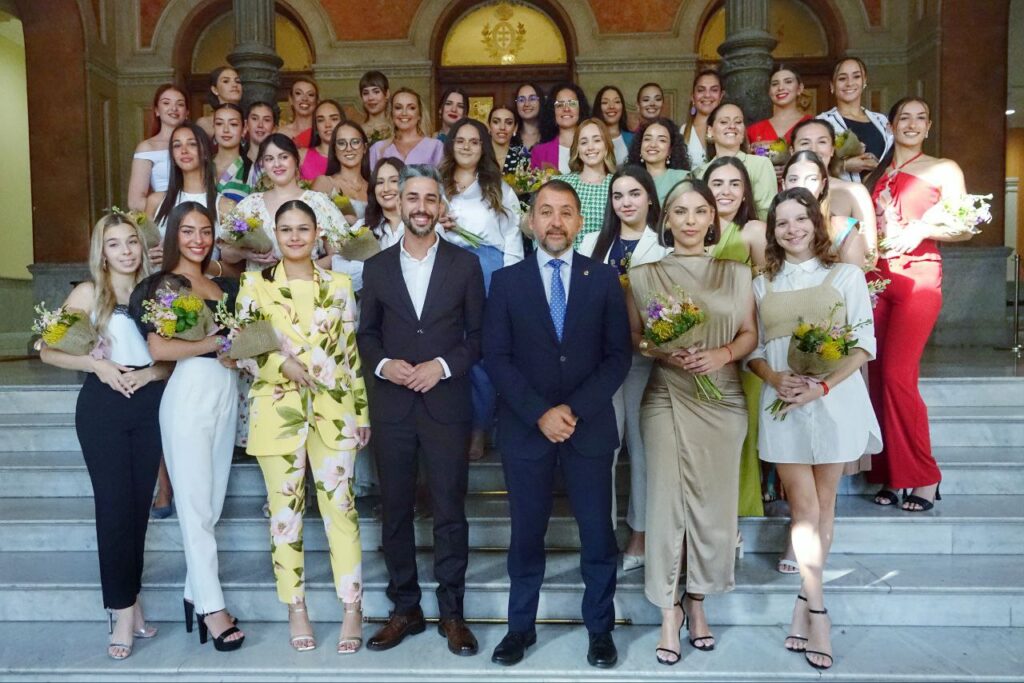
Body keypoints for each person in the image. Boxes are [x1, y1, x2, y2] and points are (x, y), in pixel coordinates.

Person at [484, 180, 631, 669]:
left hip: (587, 430)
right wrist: (539, 412)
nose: (555, 221)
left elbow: (617, 357)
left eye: (565, 212)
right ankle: (519, 629)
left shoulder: (604, 279)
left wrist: (573, 411)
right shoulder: (507, 283)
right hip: (527, 429)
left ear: (580, 222)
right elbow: (497, 357)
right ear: (530, 221)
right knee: (526, 535)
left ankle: (600, 630)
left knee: (597, 535)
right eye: (545, 211)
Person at [747, 187, 881, 670]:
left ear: (815, 223)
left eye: (800, 219)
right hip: (782, 403)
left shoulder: (845, 275)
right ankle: (818, 609)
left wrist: (823, 389)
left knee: (824, 507)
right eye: (782, 223)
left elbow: (863, 345)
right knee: (802, 507)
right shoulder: (762, 282)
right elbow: (755, 349)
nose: (792, 229)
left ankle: (806, 605)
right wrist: (776, 378)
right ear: (773, 231)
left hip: (834, 401)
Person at [357, 165, 485, 656]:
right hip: (393, 406)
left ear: (441, 207)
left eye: (430, 198)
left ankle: (452, 613)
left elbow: (478, 338)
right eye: (413, 197)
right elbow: (367, 334)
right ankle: (405, 608)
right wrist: (386, 365)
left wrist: (443, 367)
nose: (421, 207)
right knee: (394, 512)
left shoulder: (465, 265)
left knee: (450, 510)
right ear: (399, 202)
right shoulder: (377, 266)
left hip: (445, 404)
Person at [626, 179, 755, 665]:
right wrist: (665, 350)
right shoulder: (644, 274)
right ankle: (667, 612)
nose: (689, 220)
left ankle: (697, 601)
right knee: (664, 503)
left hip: (722, 397)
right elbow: (636, 338)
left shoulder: (736, 272)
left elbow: (749, 333)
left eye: (699, 211)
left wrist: (721, 353)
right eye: (679, 211)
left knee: (713, 505)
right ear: (667, 219)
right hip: (666, 395)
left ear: (712, 219)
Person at [238, 199, 369, 654]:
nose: (295, 237)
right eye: (286, 229)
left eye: (303, 229)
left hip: (335, 410)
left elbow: (351, 354)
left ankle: (353, 608)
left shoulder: (338, 284)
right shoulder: (253, 284)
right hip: (277, 410)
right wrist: (280, 367)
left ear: (317, 235)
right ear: (274, 233)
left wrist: (362, 412)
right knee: (285, 516)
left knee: (341, 511)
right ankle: (296, 607)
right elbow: (246, 348)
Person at [39, 211, 169, 660]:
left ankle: (131, 602)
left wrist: (152, 372)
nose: (126, 251)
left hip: (150, 400)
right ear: (102, 250)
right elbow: (48, 349)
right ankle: (119, 611)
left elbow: (172, 356)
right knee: (114, 508)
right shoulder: (89, 292)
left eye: (132, 241)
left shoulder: (157, 292)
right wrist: (97, 364)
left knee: (137, 510)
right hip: (103, 404)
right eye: (115, 244)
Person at [129, 202, 245, 652]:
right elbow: (159, 346)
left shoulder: (219, 284)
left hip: (225, 391)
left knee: (211, 505)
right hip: (188, 397)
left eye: (206, 231)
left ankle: (193, 595)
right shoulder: (162, 285)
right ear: (174, 233)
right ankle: (213, 610)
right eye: (189, 231)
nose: (198, 239)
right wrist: (220, 341)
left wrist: (239, 350)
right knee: (195, 506)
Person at [864, 97, 973, 511]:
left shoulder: (944, 168)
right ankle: (894, 475)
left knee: (897, 375)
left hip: (919, 274)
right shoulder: (877, 172)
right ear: (890, 126)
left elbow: (965, 225)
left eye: (920, 118)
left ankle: (925, 477)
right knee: (874, 374)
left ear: (928, 127)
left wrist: (924, 227)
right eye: (903, 118)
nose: (911, 124)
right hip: (876, 277)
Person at [579, 165, 669, 572]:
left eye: (634, 193)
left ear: (650, 197)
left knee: (645, 449)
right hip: (598, 362)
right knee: (603, 450)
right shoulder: (591, 243)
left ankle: (640, 535)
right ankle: (601, 535)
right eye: (618, 196)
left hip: (645, 361)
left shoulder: (664, 247)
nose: (626, 202)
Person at [439, 118, 524, 460]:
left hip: (490, 274)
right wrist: (439, 226)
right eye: (461, 140)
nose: (467, 146)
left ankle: (479, 428)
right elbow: (416, 227)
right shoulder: (437, 186)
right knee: (450, 348)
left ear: (483, 147)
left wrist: (509, 285)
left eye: (475, 141)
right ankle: (453, 426)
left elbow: (514, 237)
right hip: (446, 273)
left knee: (484, 355)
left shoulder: (499, 188)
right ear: (451, 144)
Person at [702, 156, 768, 521]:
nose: (725, 191)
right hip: (702, 347)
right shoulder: (694, 226)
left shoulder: (753, 231)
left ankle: (738, 514)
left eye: (734, 184)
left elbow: (765, 290)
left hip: (744, 344)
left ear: (745, 193)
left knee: (741, 433)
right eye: (717, 183)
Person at [221, 133, 346, 272]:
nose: (277, 164)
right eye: (269, 159)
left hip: (307, 287)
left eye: (284, 157)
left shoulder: (318, 202)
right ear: (263, 164)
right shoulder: (250, 204)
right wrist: (243, 253)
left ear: (295, 159)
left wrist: (300, 271)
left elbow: (338, 255)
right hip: (259, 289)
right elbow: (225, 253)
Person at [147, 123, 236, 270]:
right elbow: (142, 253)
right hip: (157, 286)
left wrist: (182, 260)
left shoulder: (225, 206)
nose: (183, 151)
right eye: (177, 145)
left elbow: (236, 271)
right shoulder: (155, 201)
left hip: (203, 289)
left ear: (206, 152)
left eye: (192, 144)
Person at [790, 118, 878, 261]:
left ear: (832, 150)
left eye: (822, 142)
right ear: (792, 151)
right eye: (805, 143)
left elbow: (870, 254)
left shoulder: (854, 192)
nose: (814, 149)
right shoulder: (781, 194)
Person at [782, 150, 870, 266]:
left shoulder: (842, 229)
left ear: (823, 185)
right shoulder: (772, 231)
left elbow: (855, 279)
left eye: (811, 179)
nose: (802, 186)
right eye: (794, 179)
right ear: (784, 185)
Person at [817, 57, 892, 182]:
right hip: (843, 196)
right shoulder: (822, 122)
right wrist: (844, 166)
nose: (849, 83)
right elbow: (812, 165)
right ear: (832, 85)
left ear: (864, 82)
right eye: (842, 78)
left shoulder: (882, 120)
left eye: (856, 77)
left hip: (882, 195)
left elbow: (894, 158)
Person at [696, 103, 776, 220]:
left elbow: (767, 212)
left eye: (738, 122)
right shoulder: (701, 172)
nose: (732, 126)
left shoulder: (760, 165)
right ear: (710, 131)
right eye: (724, 122)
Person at [555, 118, 616, 247]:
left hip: (601, 262)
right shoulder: (560, 183)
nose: (590, 147)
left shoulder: (617, 185)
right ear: (577, 149)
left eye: (597, 140)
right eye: (583, 142)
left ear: (606, 145)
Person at [128, 84, 187, 212]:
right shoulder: (146, 148)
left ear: (187, 112)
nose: (174, 108)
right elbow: (135, 202)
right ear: (156, 110)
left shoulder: (198, 144)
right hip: (163, 217)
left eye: (180, 104)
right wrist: (174, 214)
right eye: (166, 103)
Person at [368, 88, 444, 169]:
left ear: (419, 114)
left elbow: (441, 180)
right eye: (398, 108)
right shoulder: (378, 149)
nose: (404, 113)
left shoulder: (435, 147)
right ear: (391, 113)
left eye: (411, 108)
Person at [312, 122, 371, 223]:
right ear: (334, 149)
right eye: (341, 143)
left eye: (355, 142)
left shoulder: (374, 188)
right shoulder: (325, 183)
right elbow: (312, 225)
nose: (349, 148)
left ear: (365, 148)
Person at [627, 118, 690, 204]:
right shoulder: (628, 180)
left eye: (662, 140)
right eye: (647, 139)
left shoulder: (681, 179)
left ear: (670, 150)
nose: (653, 145)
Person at [531, 83, 590, 173]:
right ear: (552, 111)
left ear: (580, 109)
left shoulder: (593, 147)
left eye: (572, 103)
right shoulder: (539, 152)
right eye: (560, 104)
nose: (566, 109)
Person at [747, 66, 812, 146]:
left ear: (800, 88)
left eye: (788, 82)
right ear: (769, 91)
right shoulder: (754, 130)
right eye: (775, 84)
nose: (781, 88)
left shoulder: (812, 124)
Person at [680, 69, 724, 169]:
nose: (707, 95)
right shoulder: (682, 132)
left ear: (721, 96)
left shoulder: (729, 128)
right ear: (692, 96)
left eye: (714, 90)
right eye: (701, 90)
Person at [211, 103, 251, 204]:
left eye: (233, 124)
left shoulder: (253, 171)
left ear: (244, 129)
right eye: (219, 123)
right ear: (213, 127)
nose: (225, 130)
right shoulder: (201, 166)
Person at [299, 100, 344, 181]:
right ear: (316, 127)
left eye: (334, 119)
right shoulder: (302, 155)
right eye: (321, 120)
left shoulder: (352, 156)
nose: (327, 125)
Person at [196, 66, 243, 138]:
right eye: (226, 81)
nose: (234, 85)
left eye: (237, 81)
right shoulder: (205, 123)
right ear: (215, 90)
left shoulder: (249, 122)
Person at [592, 85, 633, 166]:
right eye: (605, 102)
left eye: (617, 102)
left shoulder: (633, 139)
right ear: (598, 107)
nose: (611, 106)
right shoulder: (590, 139)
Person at [243, 101, 278, 189]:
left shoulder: (280, 163)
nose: (260, 125)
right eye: (254, 119)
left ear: (274, 128)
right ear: (246, 125)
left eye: (266, 120)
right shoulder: (237, 161)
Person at [488, 105, 530, 174]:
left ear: (515, 128)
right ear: (489, 126)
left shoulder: (522, 160)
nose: (502, 127)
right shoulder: (477, 156)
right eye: (496, 122)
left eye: (509, 123)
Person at [278, 78, 319, 149]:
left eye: (310, 94)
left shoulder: (321, 132)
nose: (304, 98)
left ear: (316, 102)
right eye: (298, 93)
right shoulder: (281, 133)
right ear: (291, 100)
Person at [358, 70, 392, 144]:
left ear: (387, 94)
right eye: (365, 93)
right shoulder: (357, 131)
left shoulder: (397, 128)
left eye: (376, 92)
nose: (370, 98)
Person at [513, 83, 544, 150]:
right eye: (521, 100)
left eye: (532, 99)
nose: (526, 104)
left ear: (541, 102)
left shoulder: (552, 137)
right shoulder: (509, 137)